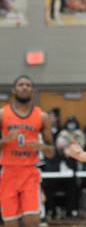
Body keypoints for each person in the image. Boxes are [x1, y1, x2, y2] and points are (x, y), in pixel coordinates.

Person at [0, 75, 56, 227]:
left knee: (32, 221)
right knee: (11, 223)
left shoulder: (42, 117)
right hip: (8, 173)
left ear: (32, 90)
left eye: (28, 85)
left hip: (30, 173)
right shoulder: (3, 114)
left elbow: (51, 152)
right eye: (21, 84)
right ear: (13, 90)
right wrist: (5, 141)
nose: (24, 87)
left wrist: (41, 147)